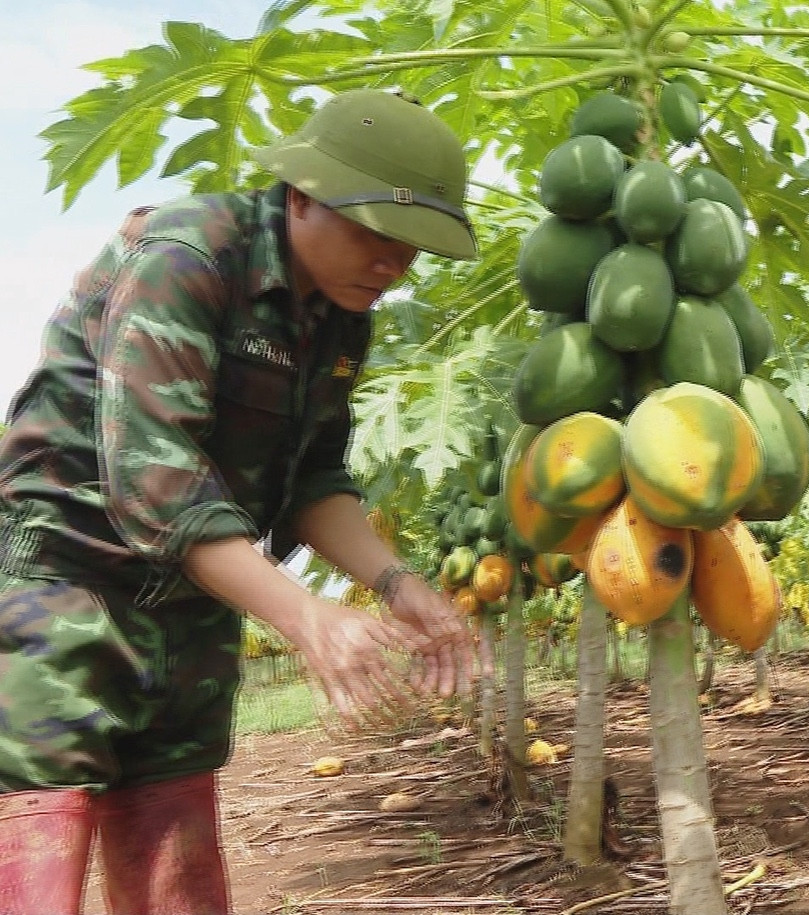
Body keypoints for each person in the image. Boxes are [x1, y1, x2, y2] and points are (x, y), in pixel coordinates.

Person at [0, 88, 480, 915]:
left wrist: (401, 586)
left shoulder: (338, 316)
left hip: (195, 592)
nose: (393, 265)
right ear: (301, 196)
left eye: (412, 249)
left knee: (172, 846)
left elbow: (313, 483)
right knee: (43, 844)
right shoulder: (187, 257)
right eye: (376, 234)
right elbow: (156, 476)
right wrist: (306, 616)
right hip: (68, 582)